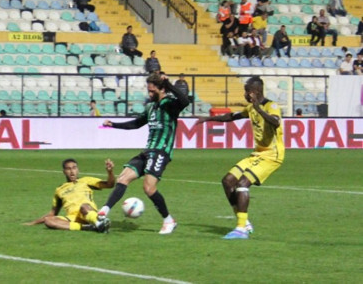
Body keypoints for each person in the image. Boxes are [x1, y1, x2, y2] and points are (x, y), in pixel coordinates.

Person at [96, 73, 189, 234]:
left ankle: (169, 220)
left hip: (161, 151)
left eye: (152, 91)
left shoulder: (170, 104)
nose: (149, 94)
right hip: (147, 151)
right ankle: (104, 210)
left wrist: (169, 84)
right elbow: (137, 123)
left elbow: (185, 101)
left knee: (148, 188)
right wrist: (113, 124)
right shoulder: (150, 107)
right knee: (123, 178)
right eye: (148, 90)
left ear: (162, 89)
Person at [195, 76, 284, 239]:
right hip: (258, 153)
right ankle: (244, 222)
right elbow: (231, 117)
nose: (245, 94)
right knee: (228, 181)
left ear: (256, 91)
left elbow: (276, 122)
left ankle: (241, 229)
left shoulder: (272, 106)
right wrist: (209, 119)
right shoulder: (251, 108)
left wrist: (259, 109)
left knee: (243, 183)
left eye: (247, 91)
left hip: (272, 155)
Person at [24, 158, 115, 233]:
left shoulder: (86, 181)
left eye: (74, 168)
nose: (72, 171)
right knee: (49, 220)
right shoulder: (59, 190)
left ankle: (98, 222)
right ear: (64, 171)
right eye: (68, 169)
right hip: (72, 218)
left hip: (87, 212)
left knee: (83, 206)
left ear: (78, 170)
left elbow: (110, 184)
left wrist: (110, 172)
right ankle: (88, 227)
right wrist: (33, 223)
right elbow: (53, 213)